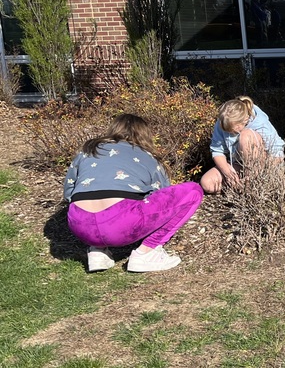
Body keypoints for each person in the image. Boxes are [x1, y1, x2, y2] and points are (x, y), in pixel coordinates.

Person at [63, 114, 203, 273]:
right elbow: (162, 195)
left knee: (95, 199)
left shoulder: (88, 150)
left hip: (80, 223)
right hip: (120, 223)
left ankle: (97, 251)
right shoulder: (148, 156)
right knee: (193, 191)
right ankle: (147, 253)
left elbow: (69, 192)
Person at [200, 96, 285, 194]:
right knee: (207, 183)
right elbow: (217, 151)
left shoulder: (258, 120)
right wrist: (229, 174)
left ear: (245, 120)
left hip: (263, 165)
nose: (230, 132)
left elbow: (277, 149)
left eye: (233, 129)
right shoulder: (224, 120)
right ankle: (240, 189)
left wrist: (267, 172)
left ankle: (254, 185)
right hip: (239, 163)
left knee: (245, 136)